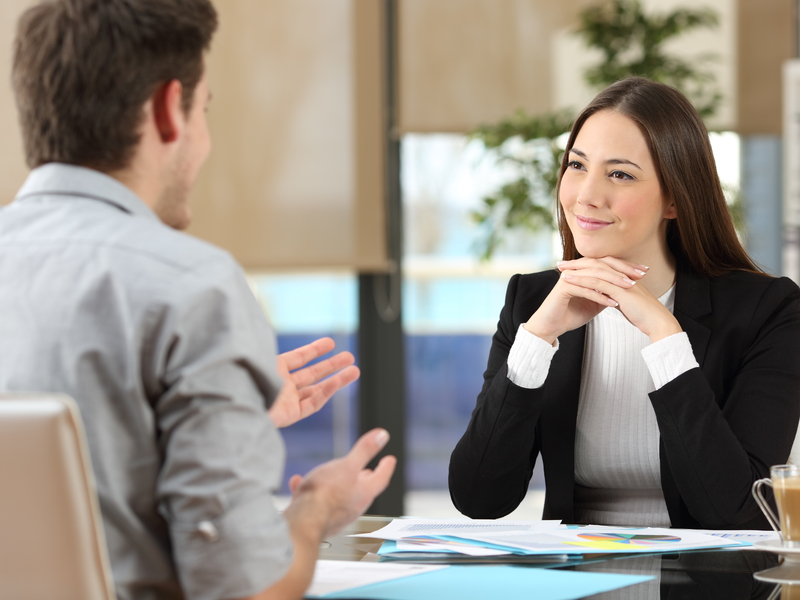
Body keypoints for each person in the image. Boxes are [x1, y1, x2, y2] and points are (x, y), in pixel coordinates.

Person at [0, 1, 395, 600]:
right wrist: (316, 509)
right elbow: (247, 590)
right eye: (204, 110)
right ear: (166, 110)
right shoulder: (190, 286)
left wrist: (223, 418)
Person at [449, 77, 800, 530]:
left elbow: (741, 512)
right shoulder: (532, 301)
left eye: (620, 174)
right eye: (577, 166)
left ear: (674, 198)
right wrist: (535, 340)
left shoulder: (768, 311)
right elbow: (479, 498)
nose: (586, 196)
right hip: (577, 579)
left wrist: (666, 338)